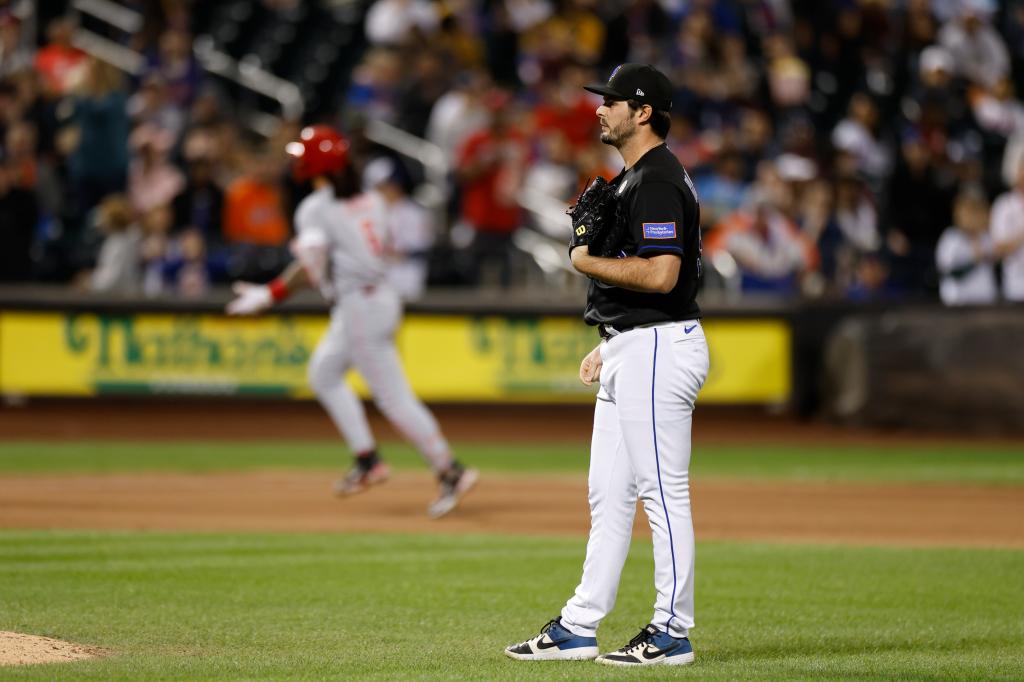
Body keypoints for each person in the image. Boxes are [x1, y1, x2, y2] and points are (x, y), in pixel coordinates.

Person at [505, 64, 708, 666]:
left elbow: (663, 275)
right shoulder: (637, 178)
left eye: (613, 100)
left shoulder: (655, 181)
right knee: (609, 495)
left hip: (658, 348)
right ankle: (579, 624)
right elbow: (651, 284)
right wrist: (611, 337)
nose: (600, 108)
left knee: (661, 493)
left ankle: (671, 630)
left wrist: (585, 260)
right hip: (636, 344)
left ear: (643, 112)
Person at [226, 125, 477, 518]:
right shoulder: (372, 198)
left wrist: (271, 294)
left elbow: (311, 261)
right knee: (323, 374)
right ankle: (367, 460)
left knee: (394, 397)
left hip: (360, 305)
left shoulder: (315, 207)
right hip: (376, 298)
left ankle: (450, 469)